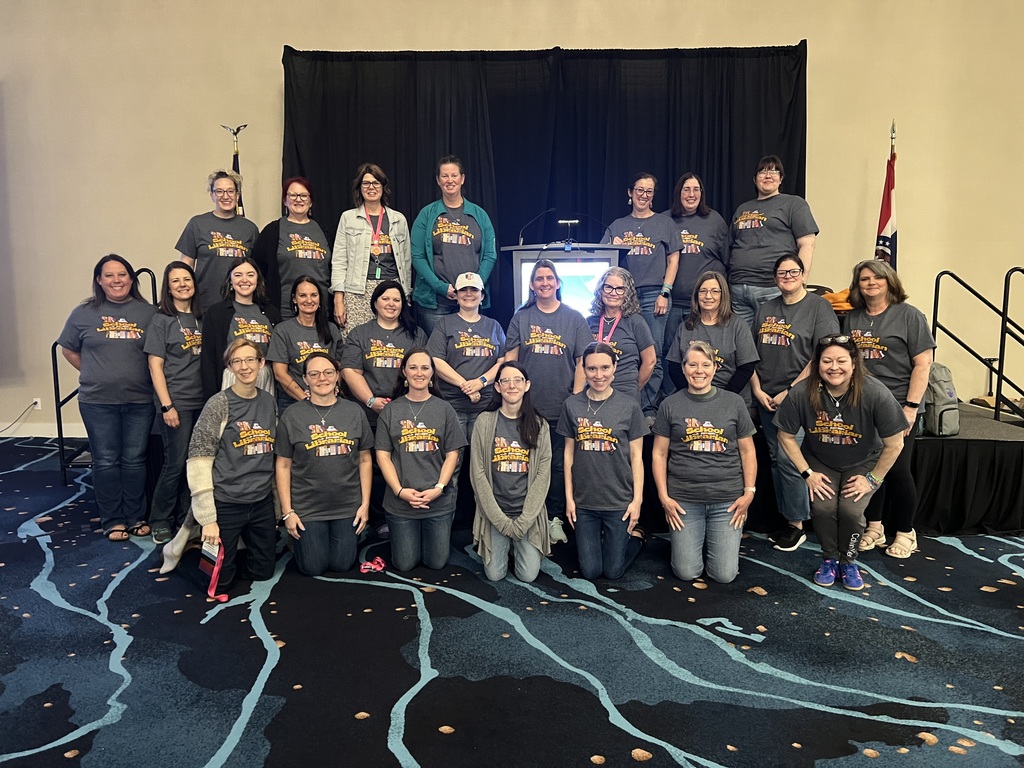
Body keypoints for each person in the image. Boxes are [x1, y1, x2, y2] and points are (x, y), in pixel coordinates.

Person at [775, 335, 907, 590]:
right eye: (827, 361)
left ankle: (849, 561)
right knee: (823, 509)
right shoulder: (802, 392)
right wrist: (807, 473)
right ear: (817, 364)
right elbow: (785, 436)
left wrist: (872, 480)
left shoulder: (875, 392)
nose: (834, 367)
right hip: (820, 461)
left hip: (862, 462)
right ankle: (829, 559)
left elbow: (896, 443)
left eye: (841, 360)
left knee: (851, 510)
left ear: (854, 363)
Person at [58, 255, 156, 542]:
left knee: (135, 460)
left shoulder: (148, 313)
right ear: (99, 280)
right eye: (109, 275)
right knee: (105, 461)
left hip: (140, 401)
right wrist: (93, 372)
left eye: (122, 274)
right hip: (97, 402)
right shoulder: (84, 312)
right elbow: (68, 349)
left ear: (131, 278)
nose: (117, 280)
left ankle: (135, 516)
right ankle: (113, 520)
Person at [845, 259, 935, 559]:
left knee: (895, 469)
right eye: (864, 279)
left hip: (898, 404)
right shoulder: (852, 318)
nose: (870, 283)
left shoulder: (909, 316)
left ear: (889, 282)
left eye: (877, 278)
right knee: (869, 468)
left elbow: (923, 363)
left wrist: (910, 408)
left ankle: (906, 532)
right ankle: (875, 526)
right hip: (861, 405)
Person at [750, 255, 839, 552]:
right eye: (781, 272)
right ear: (775, 277)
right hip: (766, 397)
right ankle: (789, 517)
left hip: (800, 397)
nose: (787, 276)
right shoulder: (765, 309)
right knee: (777, 458)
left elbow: (822, 357)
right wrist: (759, 390)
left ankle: (797, 524)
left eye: (793, 271)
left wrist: (789, 391)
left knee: (789, 460)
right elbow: (750, 355)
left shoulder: (818, 307)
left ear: (803, 274)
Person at [652, 341, 757, 583]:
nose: (699, 371)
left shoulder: (734, 402)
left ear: (715, 367)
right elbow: (659, 454)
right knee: (686, 572)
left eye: (705, 365)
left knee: (724, 575)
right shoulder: (670, 404)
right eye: (693, 365)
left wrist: (749, 492)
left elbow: (748, 451)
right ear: (684, 367)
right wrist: (664, 497)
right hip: (684, 500)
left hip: (727, 501)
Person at [505, 259, 591, 542]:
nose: (544, 283)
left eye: (549, 278)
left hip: (560, 405)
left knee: (555, 465)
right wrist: (513, 395)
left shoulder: (574, 318)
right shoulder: (521, 317)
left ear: (557, 283)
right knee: (527, 463)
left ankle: (553, 519)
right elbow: (511, 361)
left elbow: (582, 362)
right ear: (532, 285)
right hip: (526, 407)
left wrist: (575, 400)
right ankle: (529, 516)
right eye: (539, 278)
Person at [188, 340, 278, 591]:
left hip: (260, 501)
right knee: (217, 583)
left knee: (263, 572)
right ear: (230, 367)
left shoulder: (269, 402)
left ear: (261, 364)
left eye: (250, 360)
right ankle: (190, 554)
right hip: (226, 501)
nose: (245, 367)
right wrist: (208, 519)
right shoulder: (218, 404)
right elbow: (198, 460)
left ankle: (232, 552)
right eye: (237, 361)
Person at [276, 352, 373, 576]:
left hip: (347, 505)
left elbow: (365, 459)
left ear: (337, 376)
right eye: (314, 374)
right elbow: (282, 465)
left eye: (328, 372)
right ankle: (301, 541)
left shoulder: (354, 412)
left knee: (342, 564)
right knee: (313, 567)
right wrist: (288, 512)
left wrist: (365, 504)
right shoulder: (292, 416)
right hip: (308, 507)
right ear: (305, 379)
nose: (322, 378)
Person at [558, 342, 648, 580]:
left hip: (618, 501)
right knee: (590, 571)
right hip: (584, 502)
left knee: (613, 572)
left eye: (605, 368)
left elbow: (637, 457)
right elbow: (568, 455)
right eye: (592, 369)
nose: (599, 375)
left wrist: (637, 500)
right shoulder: (572, 405)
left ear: (615, 367)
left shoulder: (629, 406)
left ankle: (636, 538)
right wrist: (569, 499)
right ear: (584, 369)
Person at [374, 349, 467, 571]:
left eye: (425, 367)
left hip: (438, 500)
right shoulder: (391, 411)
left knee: (436, 563)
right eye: (413, 367)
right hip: (400, 502)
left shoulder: (445, 409)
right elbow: (383, 456)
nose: (419, 373)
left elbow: (453, 454)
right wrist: (399, 491)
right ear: (404, 372)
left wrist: (439, 488)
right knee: (405, 564)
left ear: (432, 373)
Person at [602, 172, 682, 418]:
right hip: (622, 296)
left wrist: (665, 293)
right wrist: (610, 245)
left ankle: (645, 407)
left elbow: (674, 259)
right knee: (623, 350)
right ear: (630, 193)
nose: (644, 195)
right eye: (639, 190)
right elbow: (604, 259)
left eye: (649, 191)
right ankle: (618, 398)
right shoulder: (617, 225)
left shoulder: (665, 223)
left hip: (652, 295)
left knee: (653, 354)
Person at [469, 361, 552, 582]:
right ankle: (507, 541)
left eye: (518, 380)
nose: (512, 385)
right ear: (497, 387)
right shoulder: (484, 422)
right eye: (505, 380)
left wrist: (524, 521)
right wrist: (500, 521)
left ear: (527, 385)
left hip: (527, 514)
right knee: (495, 575)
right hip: (496, 512)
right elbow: (477, 474)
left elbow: (543, 476)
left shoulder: (539, 425)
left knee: (527, 575)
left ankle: (518, 543)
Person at [145, 261, 204, 544]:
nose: (182, 284)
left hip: (202, 401)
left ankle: (185, 517)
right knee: (175, 463)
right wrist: (166, 405)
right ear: (168, 289)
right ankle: (159, 519)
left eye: (186, 279)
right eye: (175, 281)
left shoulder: (203, 317)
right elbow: (155, 366)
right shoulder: (162, 320)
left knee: (195, 464)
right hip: (176, 402)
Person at [410, 155, 497, 337]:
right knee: (436, 354)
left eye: (454, 175)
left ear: (462, 178)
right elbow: (417, 256)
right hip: (436, 302)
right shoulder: (426, 214)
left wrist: (473, 287)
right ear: (438, 180)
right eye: (445, 176)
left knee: (468, 350)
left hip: (470, 299)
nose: (450, 180)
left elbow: (489, 255)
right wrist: (440, 287)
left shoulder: (479, 215)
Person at [728, 156, 819, 325]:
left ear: (781, 178)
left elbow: (807, 243)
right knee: (744, 345)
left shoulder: (793, 204)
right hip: (739, 289)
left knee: (772, 341)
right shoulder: (743, 208)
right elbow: (731, 245)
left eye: (774, 171)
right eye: (762, 171)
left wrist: (802, 280)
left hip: (772, 287)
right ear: (755, 179)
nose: (768, 175)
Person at [664, 172, 729, 397]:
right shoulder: (665, 220)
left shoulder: (715, 221)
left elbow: (727, 259)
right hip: (672, 303)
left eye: (696, 190)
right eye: (686, 189)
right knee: (671, 357)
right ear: (678, 193)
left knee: (702, 357)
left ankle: (706, 401)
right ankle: (673, 403)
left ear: (702, 194)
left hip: (706, 306)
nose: (691, 194)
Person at [332, 163, 413, 330]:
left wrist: (405, 294)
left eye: (376, 183)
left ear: (383, 187)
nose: (371, 187)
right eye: (366, 183)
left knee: (388, 341)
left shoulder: (399, 219)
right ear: (359, 188)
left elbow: (406, 262)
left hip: (391, 288)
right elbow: (339, 260)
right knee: (356, 341)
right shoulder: (348, 218)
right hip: (358, 291)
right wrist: (338, 299)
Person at [427, 271, 506, 441]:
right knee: (454, 458)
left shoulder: (494, 326)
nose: (469, 294)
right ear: (455, 295)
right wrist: (466, 386)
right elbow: (436, 361)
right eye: (463, 290)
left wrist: (480, 382)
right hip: (452, 404)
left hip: (487, 405)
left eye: (474, 290)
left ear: (482, 295)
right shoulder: (444, 324)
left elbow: (503, 362)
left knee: (483, 459)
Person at [340, 280, 428, 429]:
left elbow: (424, 372)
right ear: (375, 303)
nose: (391, 304)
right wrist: (371, 401)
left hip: (407, 413)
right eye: (385, 299)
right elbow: (350, 371)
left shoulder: (416, 335)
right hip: (366, 414)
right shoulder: (359, 334)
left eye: (396, 300)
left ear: (403, 304)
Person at [665, 271, 759, 407]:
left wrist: (720, 400)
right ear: (697, 295)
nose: (708, 296)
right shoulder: (686, 326)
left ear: (723, 295)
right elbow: (674, 367)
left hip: (730, 399)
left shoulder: (737, 325)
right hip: (693, 398)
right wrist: (692, 395)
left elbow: (746, 368)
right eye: (703, 291)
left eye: (715, 291)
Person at [175, 169, 259, 313]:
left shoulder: (250, 228)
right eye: (219, 191)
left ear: (237, 195)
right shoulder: (198, 224)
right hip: (205, 304)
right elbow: (185, 267)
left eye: (230, 191)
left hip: (240, 305)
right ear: (212, 196)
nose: (225, 196)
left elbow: (256, 269)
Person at [200, 256, 280, 400]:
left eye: (250, 275)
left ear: (258, 280)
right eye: (238, 275)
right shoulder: (217, 313)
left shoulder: (272, 312)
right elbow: (208, 360)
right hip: (232, 378)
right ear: (230, 281)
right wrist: (211, 398)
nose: (244, 280)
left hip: (264, 378)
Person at [253, 177, 330, 320]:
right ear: (285, 200)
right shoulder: (272, 232)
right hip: (284, 312)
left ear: (311, 201)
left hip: (319, 311)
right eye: (293, 195)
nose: (298, 199)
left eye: (303, 195)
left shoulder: (325, 231)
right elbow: (257, 271)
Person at [267, 276, 340, 413]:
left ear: (319, 299)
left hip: (328, 399)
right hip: (293, 400)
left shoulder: (332, 329)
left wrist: (331, 391)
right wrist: (306, 400)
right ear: (294, 299)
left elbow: (338, 366)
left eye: (314, 295)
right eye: (302, 295)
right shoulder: (282, 330)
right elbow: (279, 373)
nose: (308, 300)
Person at [586, 266, 656, 404]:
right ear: (601, 290)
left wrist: (634, 388)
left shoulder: (636, 322)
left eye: (619, 289)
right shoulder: (589, 322)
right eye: (608, 287)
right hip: (594, 391)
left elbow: (650, 361)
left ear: (627, 293)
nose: (613, 293)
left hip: (625, 393)